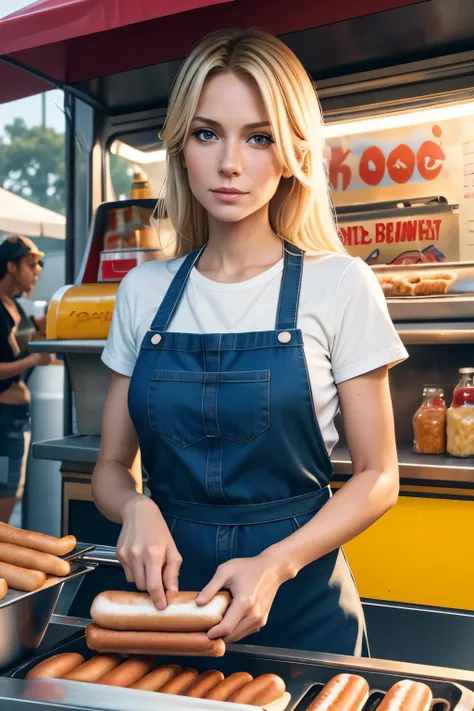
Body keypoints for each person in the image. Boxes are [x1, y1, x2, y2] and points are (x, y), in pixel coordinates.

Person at [93, 28, 408, 656]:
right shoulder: (143, 291)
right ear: (182, 144)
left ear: (292, 152)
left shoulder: (341, 284)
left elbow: (379, 476)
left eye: (258, 137)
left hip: (300, 609)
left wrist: (276, 564)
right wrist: (135, 509)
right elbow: (109, 468)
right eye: (208, 133)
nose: (230, 163)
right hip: (165, 607)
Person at [0, 235, 53, 524]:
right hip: (3, 422)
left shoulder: (17, 308)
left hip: (16, 419)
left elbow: (20, 355)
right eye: (31, 264)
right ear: (10, 265)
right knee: (5, 498)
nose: (38, 270)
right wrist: (36, 357)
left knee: (11, 493)